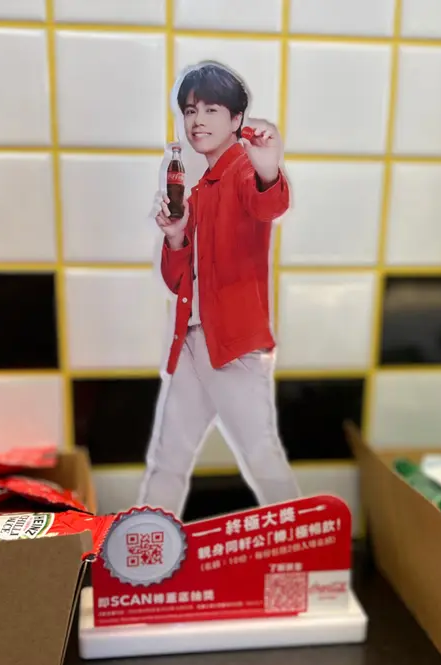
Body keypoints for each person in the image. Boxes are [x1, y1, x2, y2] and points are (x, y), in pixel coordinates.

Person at [138, 61, 301, 517]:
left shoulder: (244, 170)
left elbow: (268, 203)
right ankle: (145, 545)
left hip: (233, 345)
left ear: (236, 119)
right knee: (169, 457)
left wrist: (269, 169)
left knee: (260, 454)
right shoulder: (198, 192)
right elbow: (178, 281)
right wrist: (175, 236)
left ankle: (303, 544)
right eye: (190, 111)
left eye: (211, 109)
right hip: (193, 341)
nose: (197, 120)